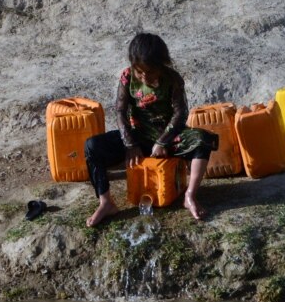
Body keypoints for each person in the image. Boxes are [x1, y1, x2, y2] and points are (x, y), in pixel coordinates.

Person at [84, 32, 217, 226]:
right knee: (92, 146)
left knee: (203, 139)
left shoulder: (172, 80)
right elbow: (120, 110)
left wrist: (162, 141)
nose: (145, 77)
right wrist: (130, 143)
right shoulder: (127, 77)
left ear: (162, 65)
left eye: (151, 72)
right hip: (137, 137)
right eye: (140, 72)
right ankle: (106, 202)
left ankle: (190, 196)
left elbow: (180, 114)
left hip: (168, 137)